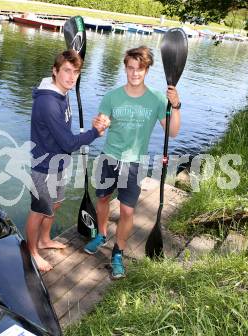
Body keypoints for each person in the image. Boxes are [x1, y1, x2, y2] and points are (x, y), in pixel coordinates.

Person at [84, 46, 182, 279]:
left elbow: (174, 132)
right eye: (130, 68)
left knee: (127, 211)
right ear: (125, 68)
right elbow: (99, 126)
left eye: (139, 69)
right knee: (102, 199)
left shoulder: (157, 99)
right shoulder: (112, 96)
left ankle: (118, 252)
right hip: (109, 158)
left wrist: (176, 106)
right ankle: (101, 233)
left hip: (134, 163)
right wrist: (98, 125)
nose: (134, 73)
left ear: (146, 70)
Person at [25, 50, 107, 272]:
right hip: (44, 167)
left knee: (56, 203)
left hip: (59, 163)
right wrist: (94, 132)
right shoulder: (48, 103)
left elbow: (63, 134)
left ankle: (44, 240)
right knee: (39, 210)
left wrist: (91, 127)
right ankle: (32, 253)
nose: (71, 77)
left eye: (76, 72)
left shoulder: (62, 93)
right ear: (55, 71)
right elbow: (69, 142)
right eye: (66, 71)